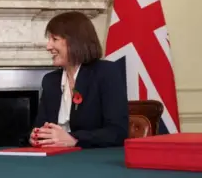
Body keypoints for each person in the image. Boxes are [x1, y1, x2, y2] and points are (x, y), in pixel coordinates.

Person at [29, 11, 129, 148]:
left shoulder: (105, 72)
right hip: (53, 160)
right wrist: (37, 136)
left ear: (74, 41)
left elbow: (118, 132)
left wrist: (74, 139)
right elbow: (41, 126)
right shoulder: (50, 80)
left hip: (92, 161)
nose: (48, 47)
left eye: (55, 39)